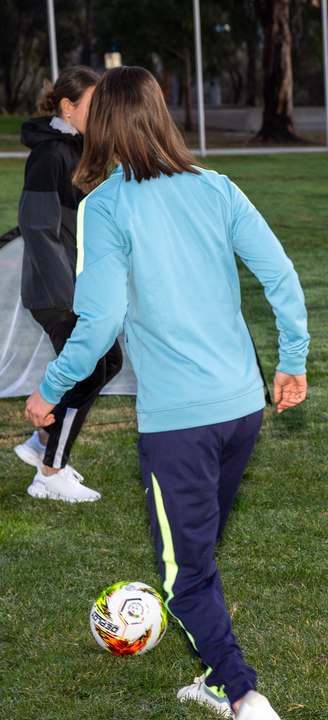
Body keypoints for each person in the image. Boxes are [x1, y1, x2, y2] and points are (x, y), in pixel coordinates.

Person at [24, 66, 309, 719]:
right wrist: (291, 360)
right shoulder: (215, 186)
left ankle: (242, 694)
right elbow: (280, 275)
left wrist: (51, 392)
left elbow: (97, 322)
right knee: (198, 553)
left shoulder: (108, 203)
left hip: (180, 425)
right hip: (242, 409)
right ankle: (217, 678)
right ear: (160, 114)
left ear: (104, 125)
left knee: (184, 579)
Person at [13, 65, 123, 503]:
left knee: (104, 363)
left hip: (75, 287)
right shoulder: (50, 154)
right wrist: (74, 299)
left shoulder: (78, 149)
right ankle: (49, 473)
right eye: (94, 106)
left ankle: (41, 445)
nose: (102, 115)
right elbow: (38, 229)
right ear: (68, 106)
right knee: (91, 367)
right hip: (57, 291)